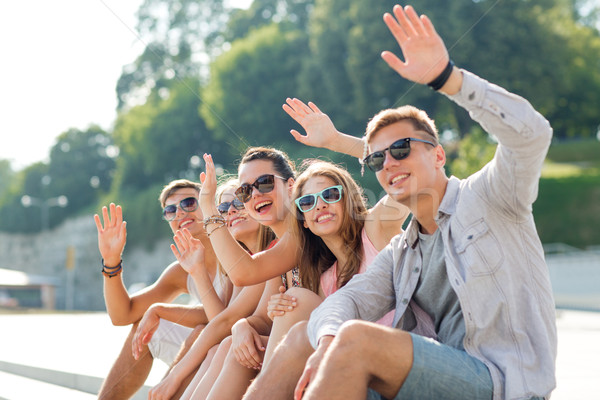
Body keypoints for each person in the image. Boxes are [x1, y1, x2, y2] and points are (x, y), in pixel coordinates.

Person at [247, 4, 557, 400]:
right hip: (433, 379)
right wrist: (325, 340)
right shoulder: (402, 253)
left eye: (402, 149)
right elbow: (347, 300)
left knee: (357, 339)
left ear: (439, 155)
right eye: (377, 159)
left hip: (501, 382)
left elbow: (531, 134)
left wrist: (450, 80)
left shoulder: (491, 197)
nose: (388, 163)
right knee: (301, 341)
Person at [94, 179, 232, 400]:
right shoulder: (180, 271)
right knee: (145, 327)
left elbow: (227, 315)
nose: (179, 213)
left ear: (208, 203)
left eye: (189, 203)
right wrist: (111, 261)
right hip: (211, 343)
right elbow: (122, 315)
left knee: (198, 332)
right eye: (170, 210)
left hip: (240, 342)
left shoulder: (235, 246)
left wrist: (161, 310)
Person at [146, 178, 274, 399]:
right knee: (217, 348)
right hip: (244, 346)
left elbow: (224, 323)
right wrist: (197, 271)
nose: (231, 211)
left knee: (220, 347)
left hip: (269, 346)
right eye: (223, 208)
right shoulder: (240, 262)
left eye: (239, 203)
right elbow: (221, 320)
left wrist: (174, 376)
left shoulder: (272, 255)